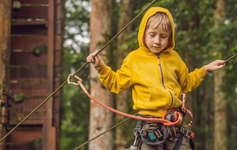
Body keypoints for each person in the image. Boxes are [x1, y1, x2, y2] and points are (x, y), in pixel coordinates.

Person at [87, 7, 225, 150]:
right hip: (149, 126)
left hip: (175, 125)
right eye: (152, 35)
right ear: (143, 33)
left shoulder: (174, 58)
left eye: (163, 36)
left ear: (170, 37)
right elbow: (115, 83)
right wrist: (100, 66)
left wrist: (205, 70)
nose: (157, 41)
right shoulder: (134, 59)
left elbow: (186, 84)